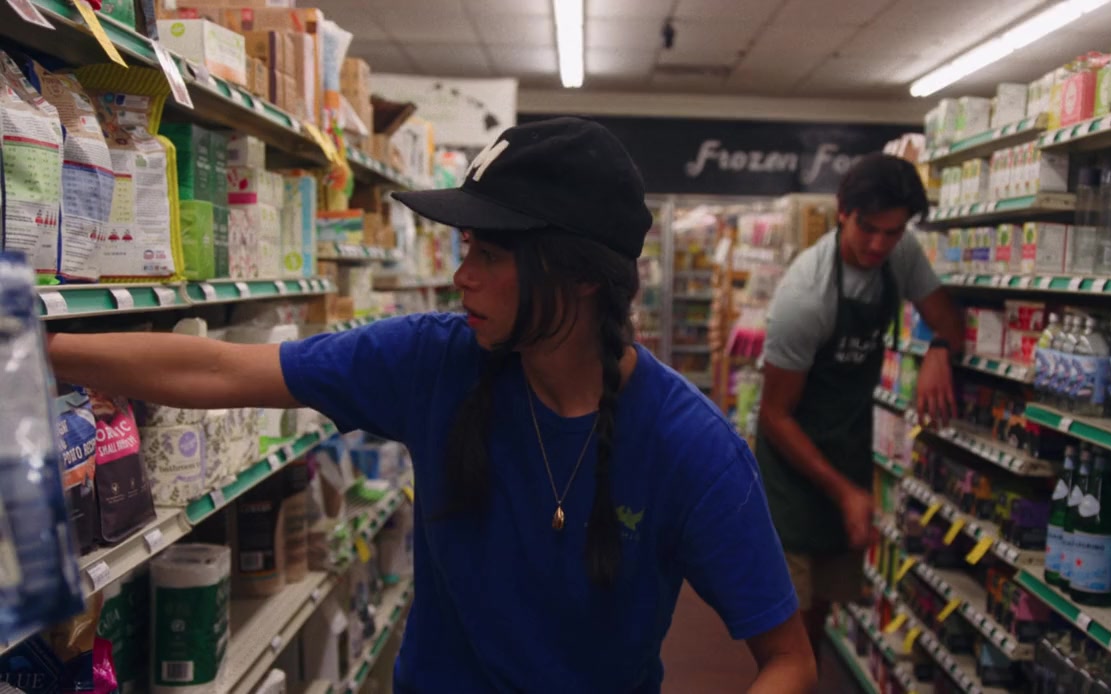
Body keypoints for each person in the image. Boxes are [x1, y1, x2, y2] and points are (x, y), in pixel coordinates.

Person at [47, 118, 816, 692]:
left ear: (581, 274)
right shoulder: (434, 361)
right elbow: (219, 369)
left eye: (490, 253)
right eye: (463, 247)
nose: (461, 275)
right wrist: (39, 345)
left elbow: (788, 660)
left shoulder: (692, 449)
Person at [756, 153, 963, 650]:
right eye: (868, 229)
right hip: (792, 475)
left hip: (847, 453)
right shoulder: (805, 297)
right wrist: (845, 492)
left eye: (892, 232)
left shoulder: (901, 254)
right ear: (842, 212)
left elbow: (950, 323)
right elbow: (774, 415)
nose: (878, 245)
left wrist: (939, 348)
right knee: (787, 632)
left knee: (819, 614)